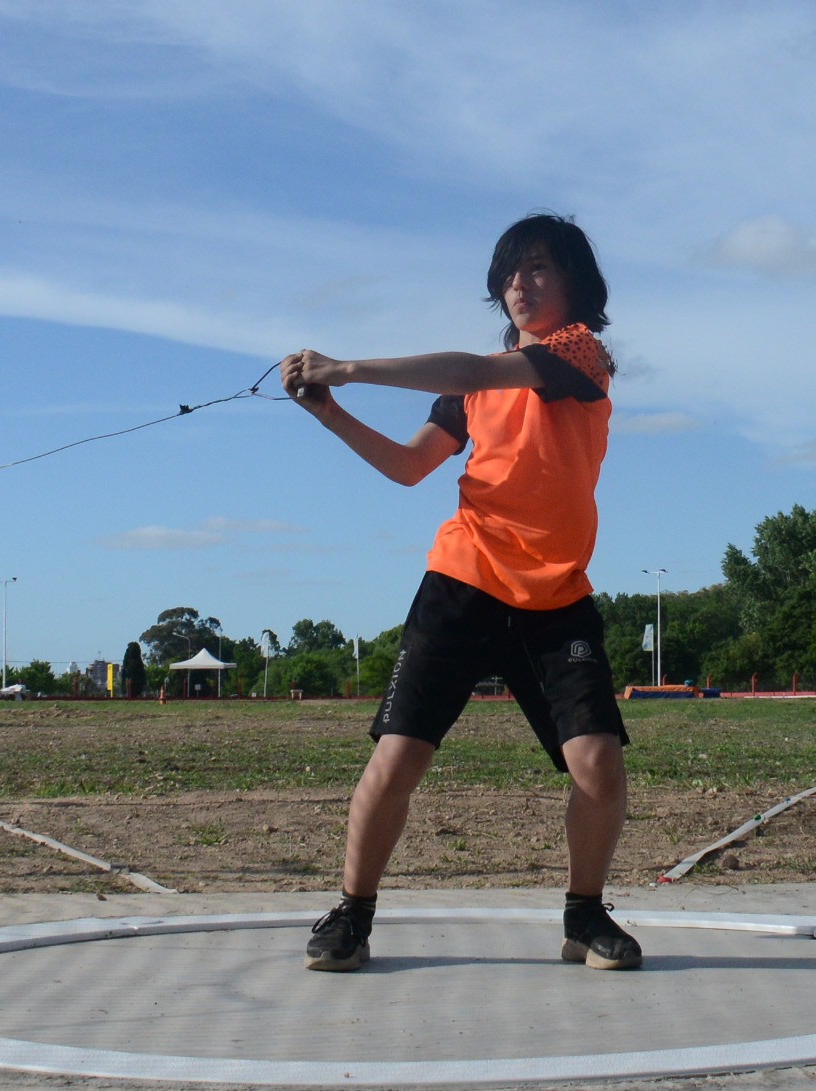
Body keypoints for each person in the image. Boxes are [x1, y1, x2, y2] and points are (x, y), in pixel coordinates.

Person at [279, 212, 639, 973]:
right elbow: (411, 467)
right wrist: (329, 412)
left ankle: (585, 914)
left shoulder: (580, 354)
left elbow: (473, 372)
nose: (519, 282)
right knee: (396, 758)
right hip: (464, 582)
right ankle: (351, 914)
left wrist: (345, 367)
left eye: (538, 267)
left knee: (599, 764)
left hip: (557, 597)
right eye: (511, 271)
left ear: (574, 283)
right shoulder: (474, 387)